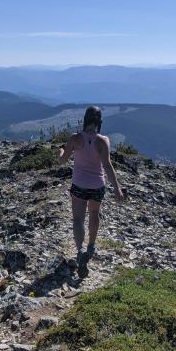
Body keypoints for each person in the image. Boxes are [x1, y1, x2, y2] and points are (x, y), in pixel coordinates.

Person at [58, 106, 124, 278]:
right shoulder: (103, 141)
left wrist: (60, 152)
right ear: (99, 122)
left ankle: (80, 251)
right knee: (95, 214)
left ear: (85, 119)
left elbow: (62, 160)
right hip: (97, 185)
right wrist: (117, 188)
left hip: (79, 184)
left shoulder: (75, 138)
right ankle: (91, 247)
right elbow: (107, 166)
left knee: (78, 219)